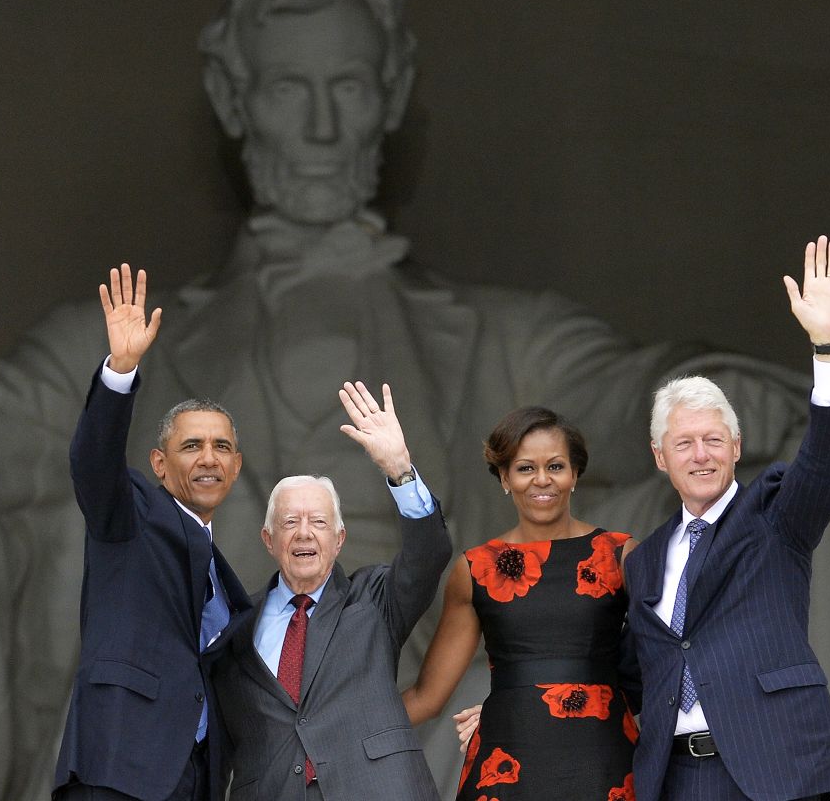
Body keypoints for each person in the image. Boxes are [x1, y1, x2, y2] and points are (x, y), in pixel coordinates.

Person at [0, 0, 830, 801]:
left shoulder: (501, 332)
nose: (315, 125)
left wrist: (742, 388)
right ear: (233, 99)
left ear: (390, 97)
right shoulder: (130, 333)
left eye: (346, 86)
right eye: (286, 88)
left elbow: (646, 383)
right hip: (237, 738)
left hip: (448, 730)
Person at [622, 236, 830, 801]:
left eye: (712, 440)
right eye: (684, 444)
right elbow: (631, 670)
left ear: (735, 446)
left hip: (774, 764)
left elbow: (822, 462)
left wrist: (827, 347)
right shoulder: (645, 556)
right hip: (678, 776)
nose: (700, 454)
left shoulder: (775, 514)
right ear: (660, 457)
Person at [51, 263, 252, 801]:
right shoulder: (131, 515)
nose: (209, 458)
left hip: (195, 781)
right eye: (192, 446)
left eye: (222, 448)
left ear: (236, 468)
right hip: (120, 767)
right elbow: (94, 462)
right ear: (158, 465)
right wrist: (120, 370)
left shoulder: (223, 575)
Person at [210, 380, 452, 800]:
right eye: (290, 523)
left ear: (339, 540)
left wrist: (399, 469)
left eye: (318, 523)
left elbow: (429, 555)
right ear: (268, 540)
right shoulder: (235, 626)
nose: (304, 533)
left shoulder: (375, 600)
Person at [402, 406, 638, 800]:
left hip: (604, 758)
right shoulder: (475, 568)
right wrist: (335, 730)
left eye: (556, 466)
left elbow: (666, 656)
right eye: (525, 468)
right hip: (509, 757)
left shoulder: (621, 554)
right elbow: (428, 696)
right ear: (504, 479)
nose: (542, 480)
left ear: (575, 474)